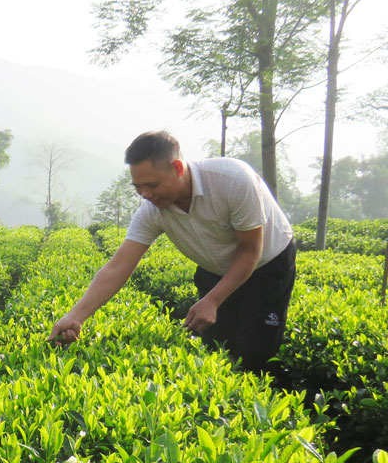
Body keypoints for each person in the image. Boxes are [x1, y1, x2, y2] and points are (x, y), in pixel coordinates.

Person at [48, 130, 296, 373]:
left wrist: (212, 299)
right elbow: (117, 267)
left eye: (152, 185)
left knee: (254, 354)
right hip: (214, 268)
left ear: (178, 168)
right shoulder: (152, 211)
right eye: (138, 187)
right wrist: (75, 317)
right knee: (217, 350)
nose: (145, 194)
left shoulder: (233, 180)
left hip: (267, 265)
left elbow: (250, 251)